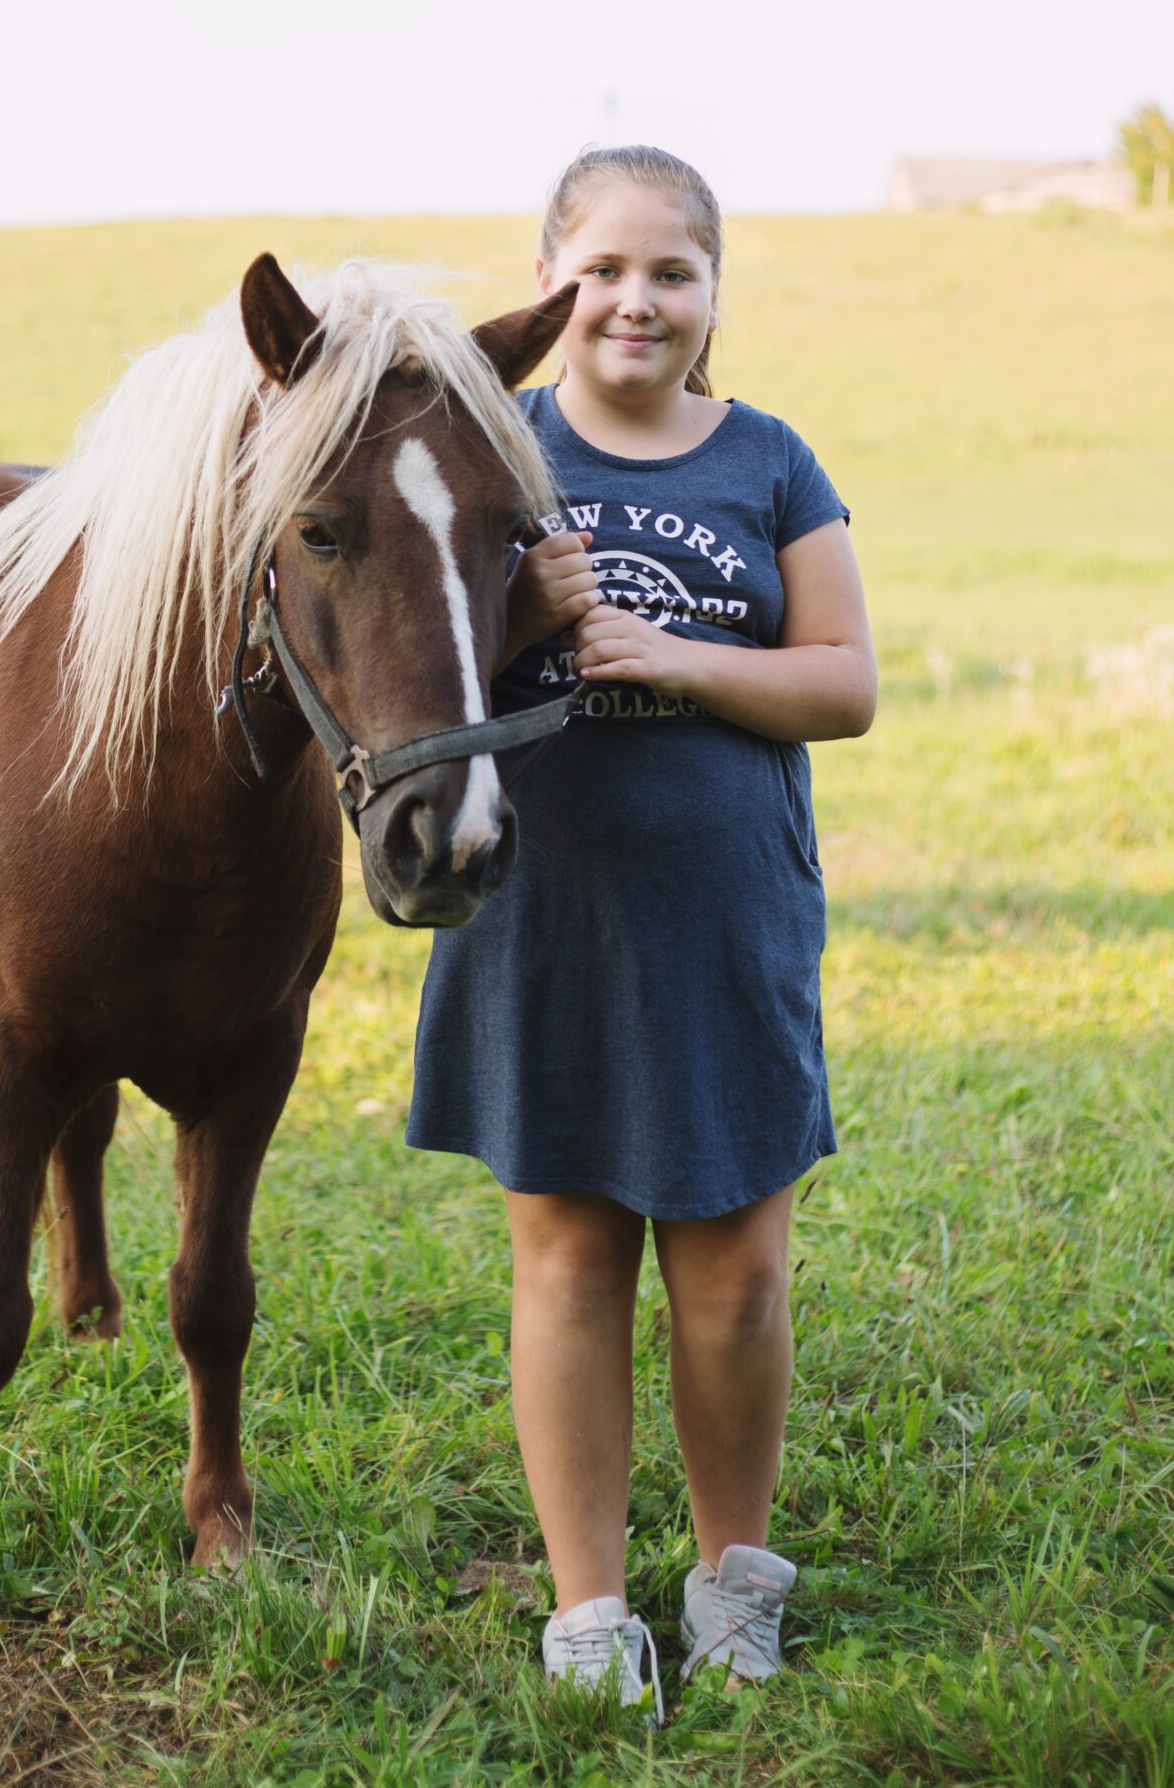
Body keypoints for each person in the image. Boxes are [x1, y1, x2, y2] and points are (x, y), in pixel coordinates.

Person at [406, 144, 876, 1716]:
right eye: (600, 268)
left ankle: (734, 1582)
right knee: (567, 1261)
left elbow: (845, 684)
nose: (634, 299)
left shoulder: (770, 461)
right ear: (547, 284)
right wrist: (524, 616)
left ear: (713, 291)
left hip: (729, 914)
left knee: (734, 1272)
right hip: (537, 912)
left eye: (671, 270)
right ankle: (590, 1608)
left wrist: (676, 656)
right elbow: (410, 655)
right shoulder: (492, 451)